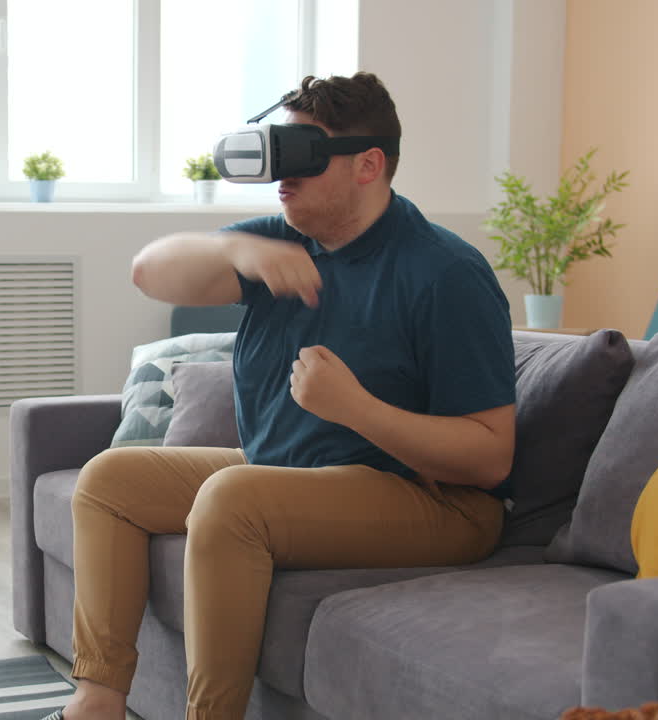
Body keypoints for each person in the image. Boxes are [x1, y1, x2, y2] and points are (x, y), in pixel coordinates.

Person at [46, 72, 518, 720]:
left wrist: (356, 408)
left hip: (434, 501)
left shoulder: (444, 272)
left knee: (233, 496)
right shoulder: (282, 243)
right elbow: (148, 271)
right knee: (109, 482)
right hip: (294, 475)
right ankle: (96, 702)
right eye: (277, 152)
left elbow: (490, 458)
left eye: (302, 155)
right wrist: (238, 247)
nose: (280, 175)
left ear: (368, 165)